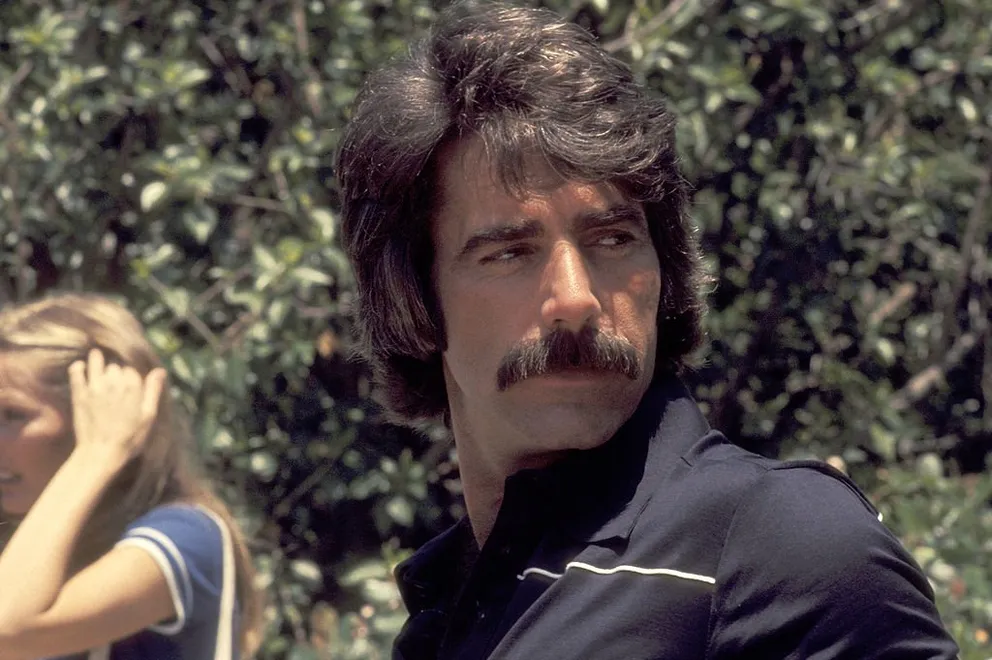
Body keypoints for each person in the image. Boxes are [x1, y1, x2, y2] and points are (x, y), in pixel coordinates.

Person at [335, 1, 960, 658]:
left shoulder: (784, 549)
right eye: (509, 253)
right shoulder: (446, 612)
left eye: (612, 239)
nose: (574, 300)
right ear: (413, 300)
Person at [0, 293, 262, 659]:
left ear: (97, 414)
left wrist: (97, 453)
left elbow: (8, 629)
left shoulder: (186, 535)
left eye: (12, 415)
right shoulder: (35, 561)